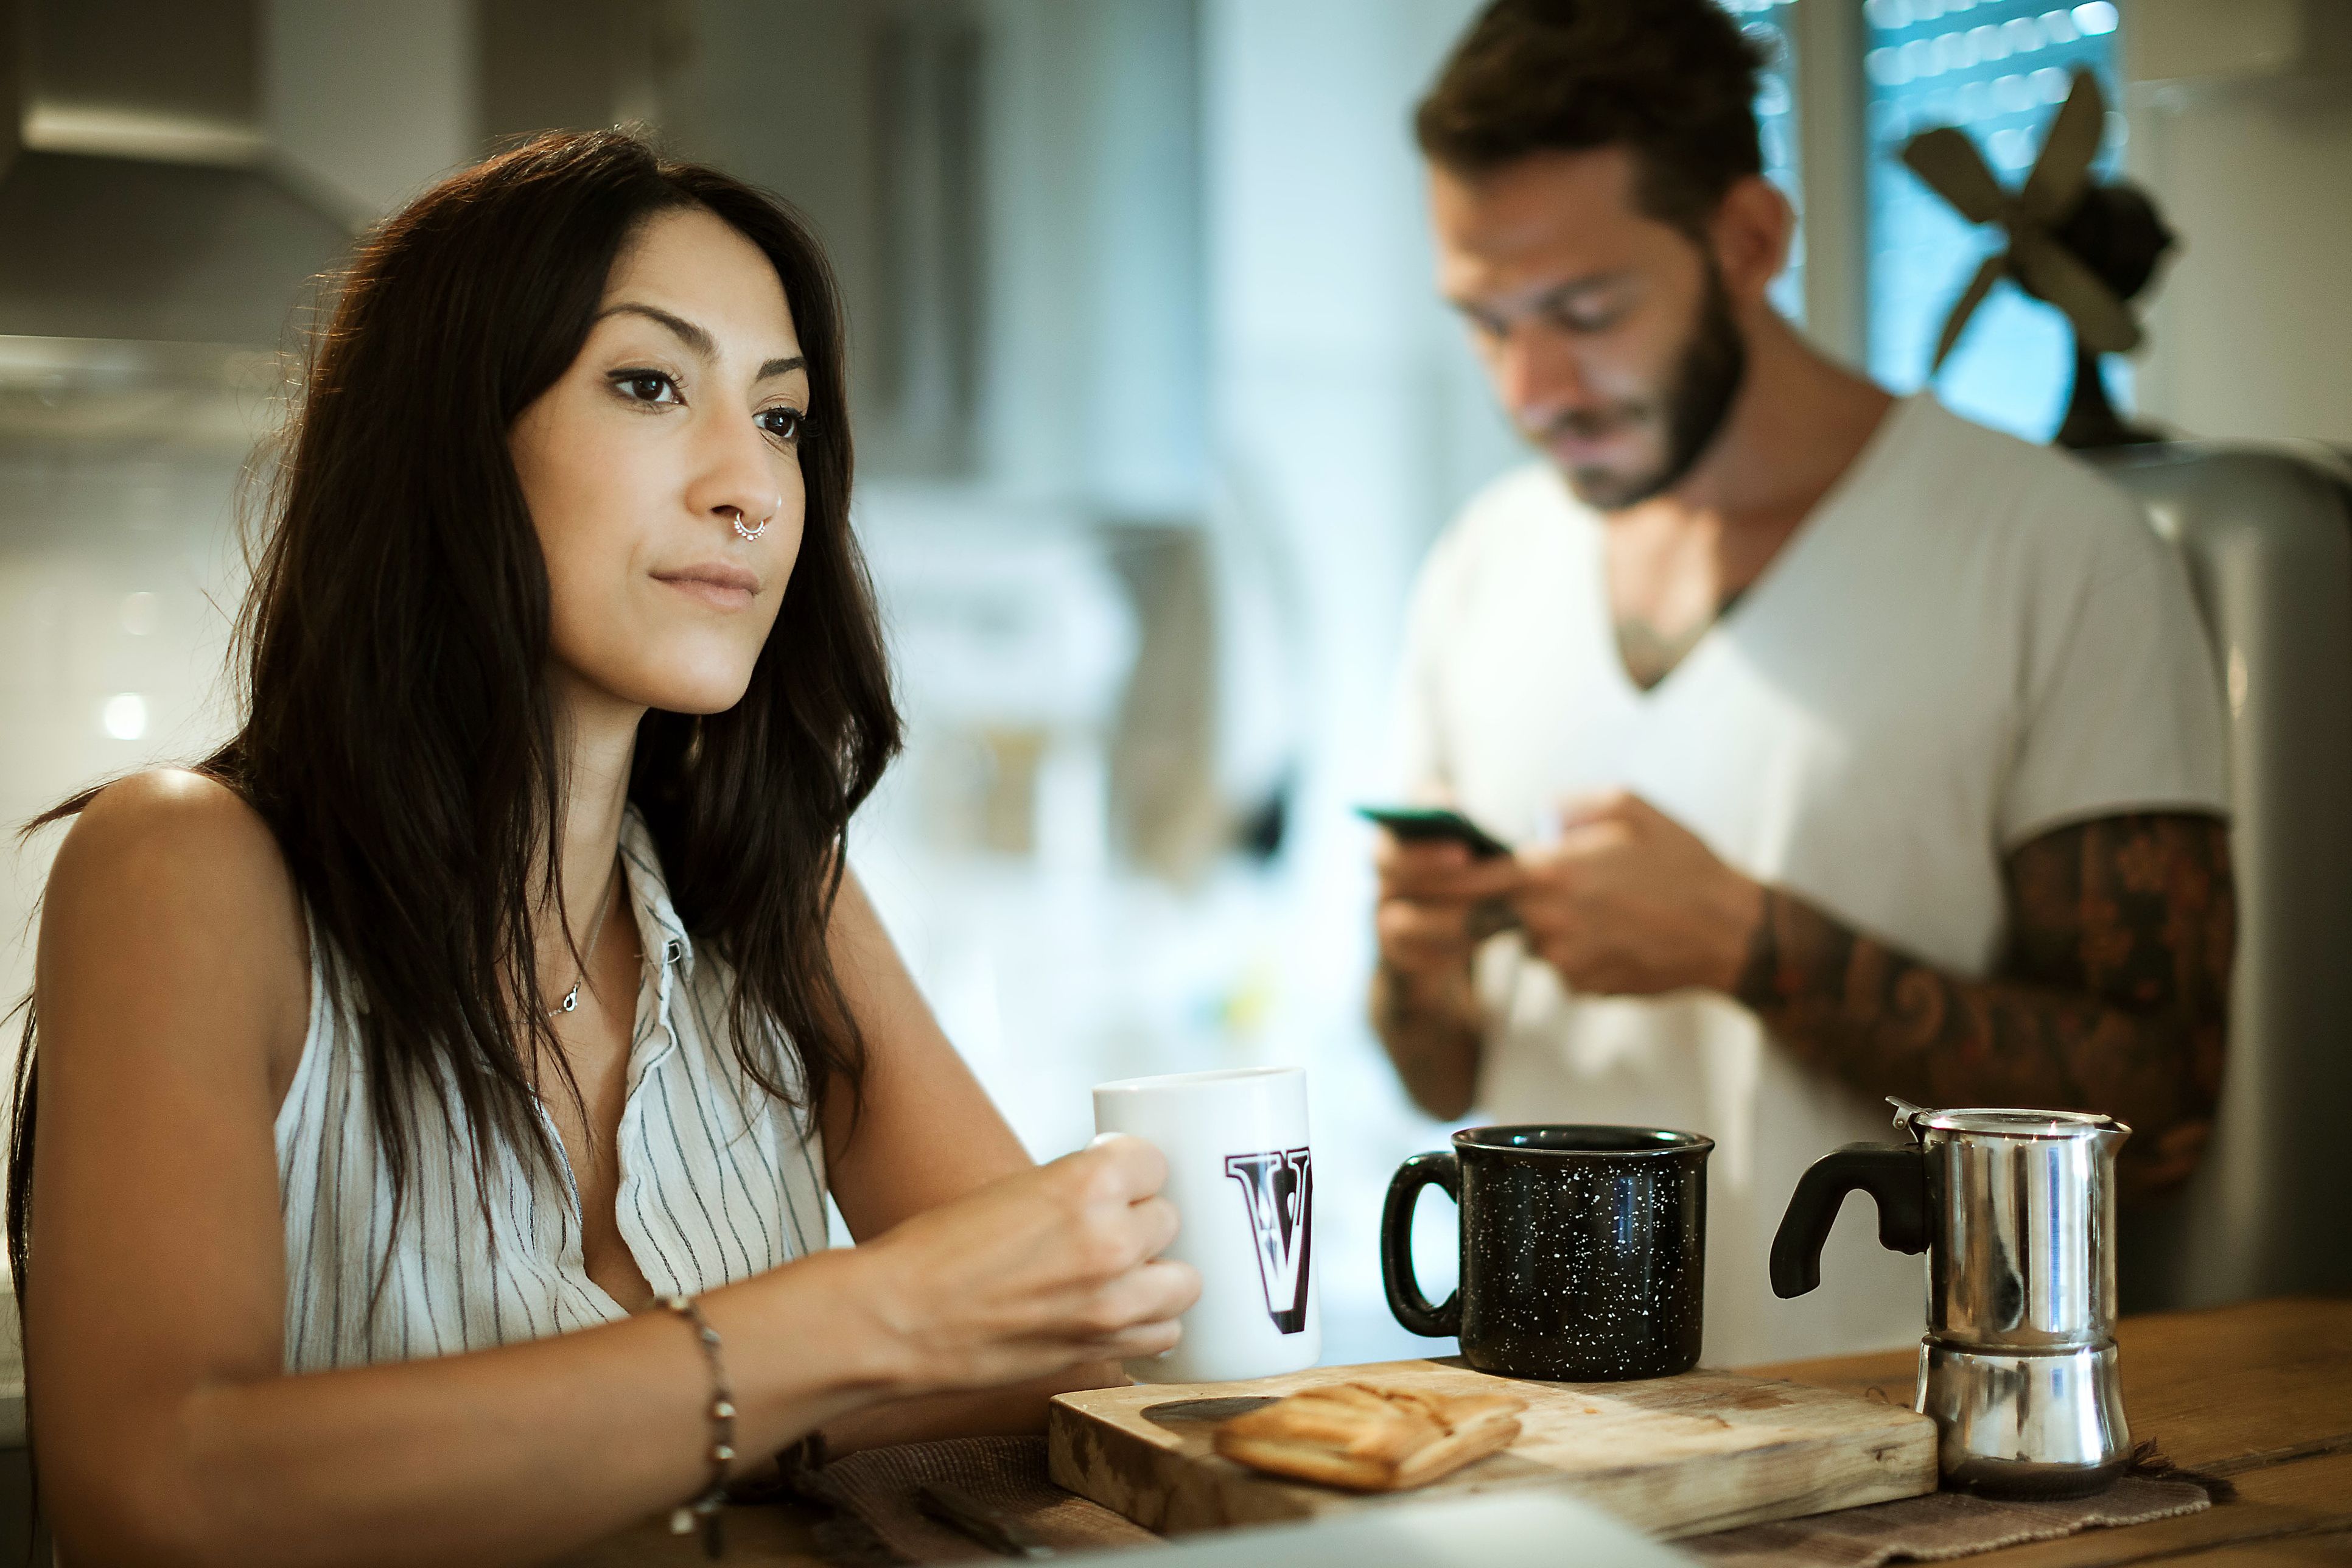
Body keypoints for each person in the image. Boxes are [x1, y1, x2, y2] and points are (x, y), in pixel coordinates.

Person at [8, 131, 1197, 1564]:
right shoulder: (185, 870)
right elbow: (157, 1496)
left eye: (782, 417)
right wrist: (862, 1323)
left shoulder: (777, 892)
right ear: (452, 436)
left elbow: (1054, 1356)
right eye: (649, 384)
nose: (749, 485)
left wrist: (759, 1391)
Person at [1371, 0, 2235, 1363]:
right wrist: (1416, 970)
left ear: (1751, 242)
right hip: (1529, 1441)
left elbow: (2162, 1111)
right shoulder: (1481, 566)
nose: (1532, 387)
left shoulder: (2054, 552)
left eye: (1586, 312)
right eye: (1485, 324)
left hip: (1897, 1459)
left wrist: (1748, 945)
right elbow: (1442, 1074)